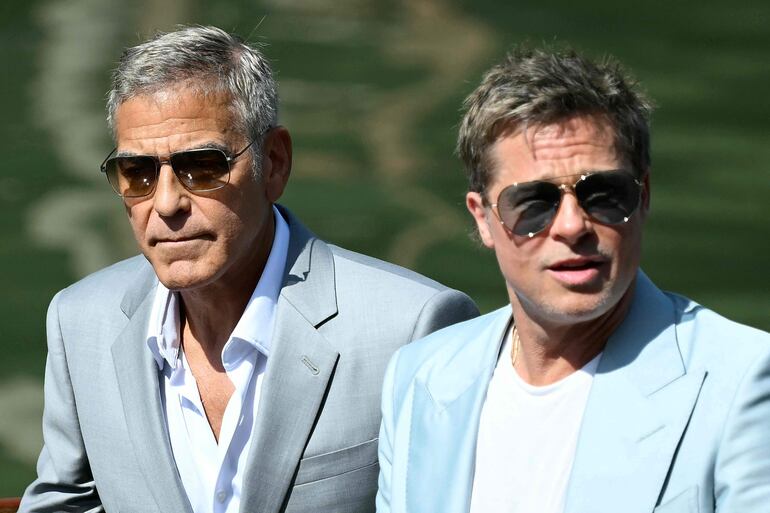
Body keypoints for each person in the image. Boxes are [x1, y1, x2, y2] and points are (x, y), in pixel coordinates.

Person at [20, 26, 478, 513]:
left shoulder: (415, 328)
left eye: (202, 166)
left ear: (274, 163)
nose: (167, 202)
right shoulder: (79, 321)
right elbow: (64, 504)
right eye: (139, 173)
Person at [376, 46, 770, 513]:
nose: (571, 226)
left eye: (604, 195)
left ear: (643, 199)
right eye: (535, 202)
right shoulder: (420, 376)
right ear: (483, 219)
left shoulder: (742, 382)